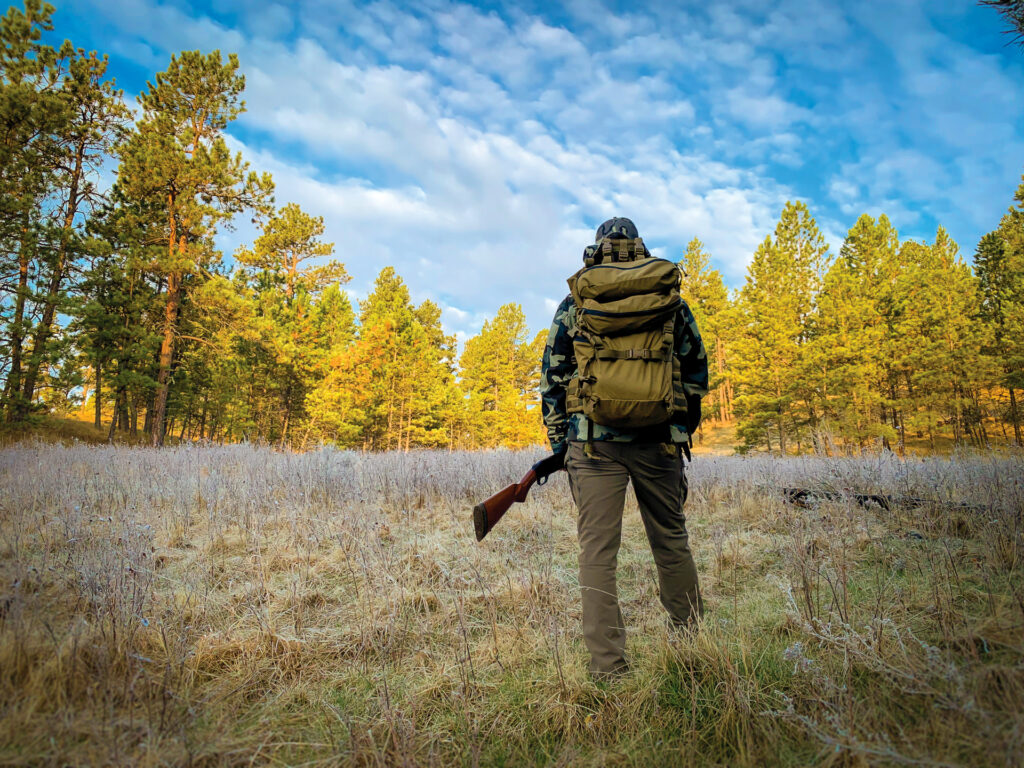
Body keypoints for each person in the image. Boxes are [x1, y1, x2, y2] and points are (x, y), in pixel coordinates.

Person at [539, 216, 708, 680]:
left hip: (593, 447)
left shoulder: (575, 303)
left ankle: (609, 670)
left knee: (597, 553)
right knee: (672, 543)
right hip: (660, 443)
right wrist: (679, 428)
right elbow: (696, 372)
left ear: (597, 248)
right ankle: (693, 647)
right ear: (639, 248)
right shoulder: (670, 302)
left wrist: (561, 446)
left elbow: (552, 379)